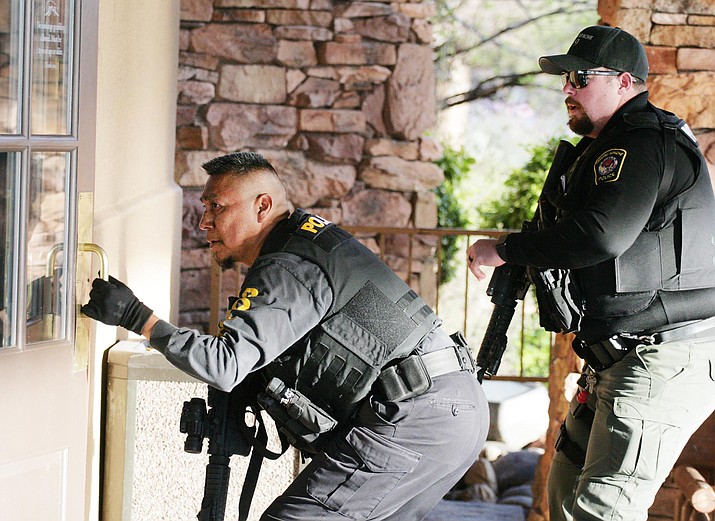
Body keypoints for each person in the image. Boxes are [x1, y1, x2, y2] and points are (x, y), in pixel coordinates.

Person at [83, 151, 489, 521]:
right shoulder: (305, 243)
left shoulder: (288, 267)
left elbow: (225, 365)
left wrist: (139, 318)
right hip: (447, 408)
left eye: (216, 207)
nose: (203, 222)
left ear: (263, 207)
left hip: (416, 413)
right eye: (204, 207)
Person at [466, 25, 715, 521]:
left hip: (661, 358)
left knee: (601, 513)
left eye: (580, 77)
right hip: (617, 357)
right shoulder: (609, 146)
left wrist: (506, 250)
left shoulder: (644, 142)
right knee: (562, 497)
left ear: (625, 82)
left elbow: (602, 235)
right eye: (566, 78)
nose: (567, 89)